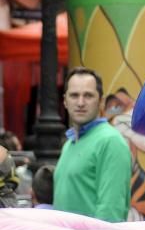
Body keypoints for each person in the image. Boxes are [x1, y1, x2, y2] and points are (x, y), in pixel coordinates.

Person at [53, 67, 132, 221]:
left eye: (88, 96)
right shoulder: (69, 143)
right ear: (65, 101)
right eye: (74, 95)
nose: (80, 102)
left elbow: (110, 213)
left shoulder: (110, 141)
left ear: (101, 102)